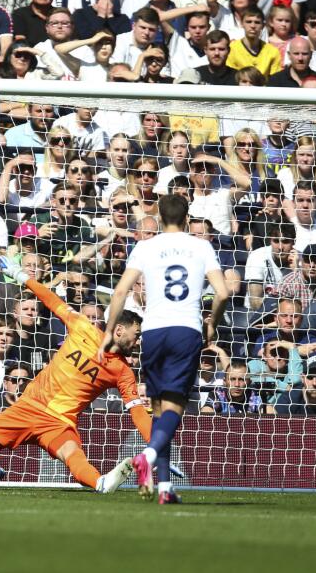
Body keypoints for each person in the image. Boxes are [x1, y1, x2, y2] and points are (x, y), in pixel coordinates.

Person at [0, 258, 152, 492]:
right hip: (27, 408)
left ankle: (101, 482)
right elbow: (51, 299)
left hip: (59, 421)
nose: (139, 340)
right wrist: (20, 275)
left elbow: (138, 412)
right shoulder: (82, 327)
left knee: (73, 457)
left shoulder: (123, 371)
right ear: (119, 330)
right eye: (137, 334)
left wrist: (157, 446)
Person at [102, 193, 229, 504]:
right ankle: (147, 455)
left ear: (158, 218)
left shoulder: (146, 246)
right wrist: (211, 323)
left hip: (154, 330)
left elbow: (120, 290)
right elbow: (223, 292)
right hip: (185, 328)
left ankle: (163, 487)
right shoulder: (201, 245)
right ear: (187, 219)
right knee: (175, 409)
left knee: (158, 411)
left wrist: (108, 332)